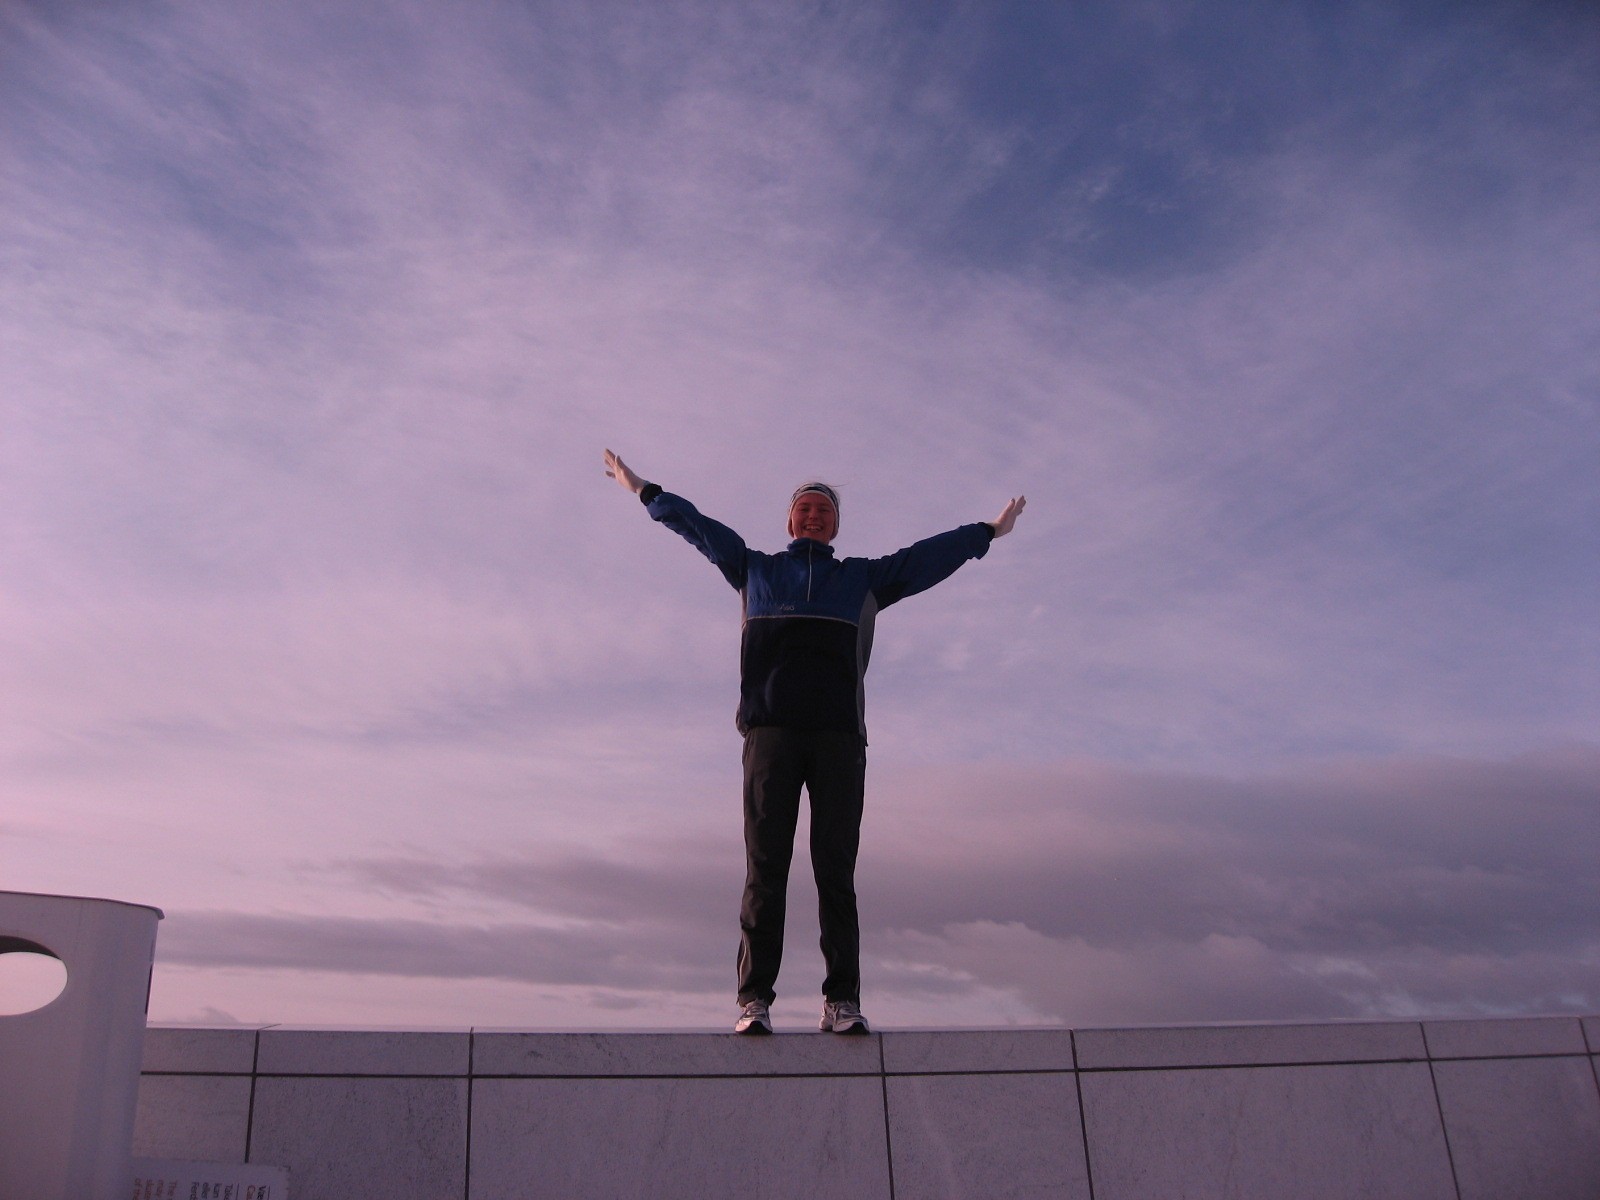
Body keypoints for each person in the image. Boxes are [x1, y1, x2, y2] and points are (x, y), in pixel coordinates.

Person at [603, 449, 1025, 1035]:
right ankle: (754, 1000)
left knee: (835, 870)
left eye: (824, 510)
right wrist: (645, 491)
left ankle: (841, 1001)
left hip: (838, 738)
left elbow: (927, 558)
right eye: (805, 508)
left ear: (835, 526)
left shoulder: (862, 579)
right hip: (769, 734)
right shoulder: (753, 569)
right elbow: (698, 527)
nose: (813, 516)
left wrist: (986, 533)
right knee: (765, 867)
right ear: (790, 520)